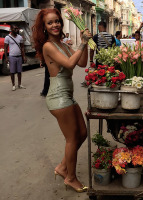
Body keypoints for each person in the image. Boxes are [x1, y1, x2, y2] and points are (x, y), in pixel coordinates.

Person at [32, 8, 92, 192]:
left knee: (82, 134)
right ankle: (70, 177)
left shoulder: (64, 45)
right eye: (50, 23)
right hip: (58, 98)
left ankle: (62, 167)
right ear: (44, 27)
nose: (54, 25)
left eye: (57, 21)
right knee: (72, 139)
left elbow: (82, 63)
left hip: (67, 96)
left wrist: (87, 43)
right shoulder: (48, 46)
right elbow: (69, 64)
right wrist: (82, 42)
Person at [4, 24, 27, 91]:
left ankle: (19, 84)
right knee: (12, 72)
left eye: (17, 28)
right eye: (15, 28)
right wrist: (6, 58)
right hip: (12, 57)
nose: (16, 30)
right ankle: (13, 85)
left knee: (19, 71)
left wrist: (24, 56)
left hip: (19, 56)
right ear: (11, 29)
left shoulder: (20, 37)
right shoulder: (7, 37)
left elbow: (22, 47)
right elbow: (5, 48)